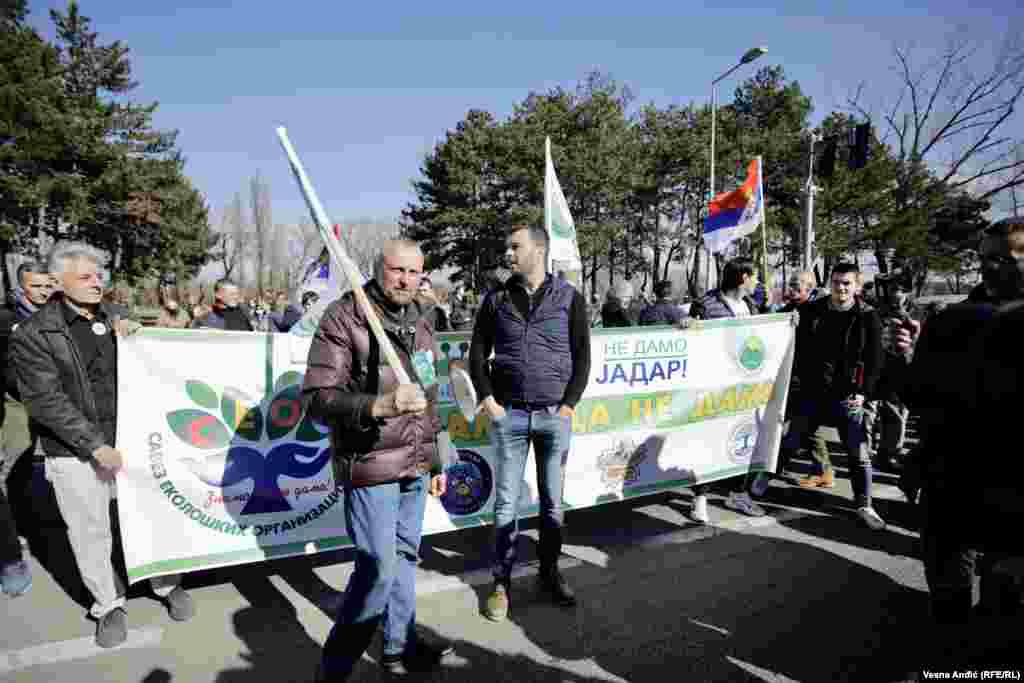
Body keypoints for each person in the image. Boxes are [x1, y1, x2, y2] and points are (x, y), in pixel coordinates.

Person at [10, 241, 193, 647]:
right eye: (86, 277)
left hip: (134, 444)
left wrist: (136, 336)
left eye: (100, 276)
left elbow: (151, 366)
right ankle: (108, 604)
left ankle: (166, 583)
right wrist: (94, 445)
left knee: (151, 516)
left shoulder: (117, 319)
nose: (98, 284)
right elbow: (44, 401)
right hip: (76, 452)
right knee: (90, 531)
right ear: (58, 282)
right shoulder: (34, 334)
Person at [303, 239, 453, 680]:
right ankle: (335, 668)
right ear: (377, 267)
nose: (406, 280)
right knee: (377, 571)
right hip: (371, 461)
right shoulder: (345, 316)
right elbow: (316, 399)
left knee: (405, 559)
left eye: (414, 272)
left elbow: (428, 393)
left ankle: (397, 648)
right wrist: (380, 406)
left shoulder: (422, 321)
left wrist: (437, 458)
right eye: (397, 270)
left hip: (415, 461)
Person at [893, 216, 1024, 630]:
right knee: (949, 600)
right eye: (985, 259)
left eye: (1006, 259)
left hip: (1015, 491)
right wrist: (906, 358)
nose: (991, 268)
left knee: (1003, 607)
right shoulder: (950, 321)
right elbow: (919, 397)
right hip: (949, 485)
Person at [469, 223, 592, 622]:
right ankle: (501, 584)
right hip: (510, 416)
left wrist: (569, 405)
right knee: (505, 502)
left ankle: (549, 572)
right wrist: (488, 400)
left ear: (538, 250)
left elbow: (582, 357)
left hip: (555, 417)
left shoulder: (570, 298)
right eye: (508, 246)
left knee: (553, 502)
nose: (508, 253)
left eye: (515, 246)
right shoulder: (495, 299)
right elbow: (477, 355)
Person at [779, 262, 886, 530]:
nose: (841, 287)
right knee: (790, 442)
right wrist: (787, 320)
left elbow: (875, 361)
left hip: (849, 397)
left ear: (857, 286)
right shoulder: (811, 309)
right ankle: (754, 489)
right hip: (813, 393)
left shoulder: (868, 315)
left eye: (847, 283)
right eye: (837, 282)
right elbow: (779, 323)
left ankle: (864, 504)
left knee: (858, 455)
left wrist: (863, 394)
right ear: (830, 283)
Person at [685, 258, 767, 522]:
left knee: (742, 441)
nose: (758, 282)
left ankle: (738, 492)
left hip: (745, 390)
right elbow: (688, 334)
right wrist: (686, 325)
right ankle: (700, 498)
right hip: (713, 388)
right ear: (743, 277)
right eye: (755, 276)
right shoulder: (706, 304)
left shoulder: (751, 306)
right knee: (708, 444)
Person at [0, 261, 52, 597]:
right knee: (16, 463)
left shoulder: (58, 314)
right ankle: (16, 531)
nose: (44, 292)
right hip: (18, 403)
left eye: (47, 285)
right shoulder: (6, 319)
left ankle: (38, 521)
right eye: (36, 287)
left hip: (54, 402)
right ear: (22, 287)